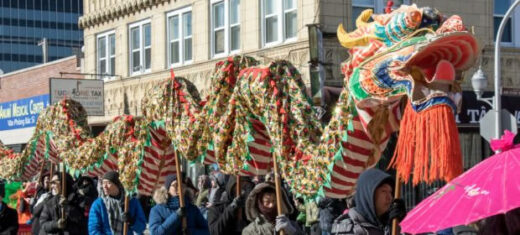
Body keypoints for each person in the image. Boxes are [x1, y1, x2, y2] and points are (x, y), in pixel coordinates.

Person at [331, 168, 406, 235]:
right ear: (368, 194)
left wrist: (395, 226)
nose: (390, 197)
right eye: (384, 191)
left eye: (390, 192)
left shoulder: (382, 225)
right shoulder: (350, 229)